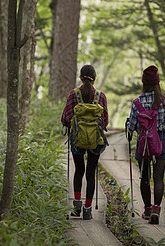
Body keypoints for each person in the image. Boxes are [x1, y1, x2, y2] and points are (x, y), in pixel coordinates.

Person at [127, 65, 165, 224]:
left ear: (144, 83)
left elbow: (131, 126)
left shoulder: (137, 102)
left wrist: (130, 128)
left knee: (145, 177)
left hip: (144, 143)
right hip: (160, 141)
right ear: (157, 83)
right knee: (159, 178)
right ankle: (156, 209)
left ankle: (147, 210)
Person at [61, 65, 109, 220]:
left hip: (77, 139)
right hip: (95, 140)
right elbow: (105, 121)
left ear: (80, 77)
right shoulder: (100, 96)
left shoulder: (74, 94)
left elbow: (65, 118)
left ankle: (76, 206)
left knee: (79, 171)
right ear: (94, 78)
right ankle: (88, 209)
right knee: (90, 174)